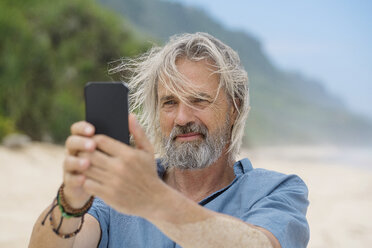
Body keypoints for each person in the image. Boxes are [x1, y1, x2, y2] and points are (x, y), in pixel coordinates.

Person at [29, 32, 309, 248]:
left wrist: (152, 199)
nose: (182, 117)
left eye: (199, 100)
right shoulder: (116, 190)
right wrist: (70, 203)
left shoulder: (277, 191)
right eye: (169, 102)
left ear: (234, 109)